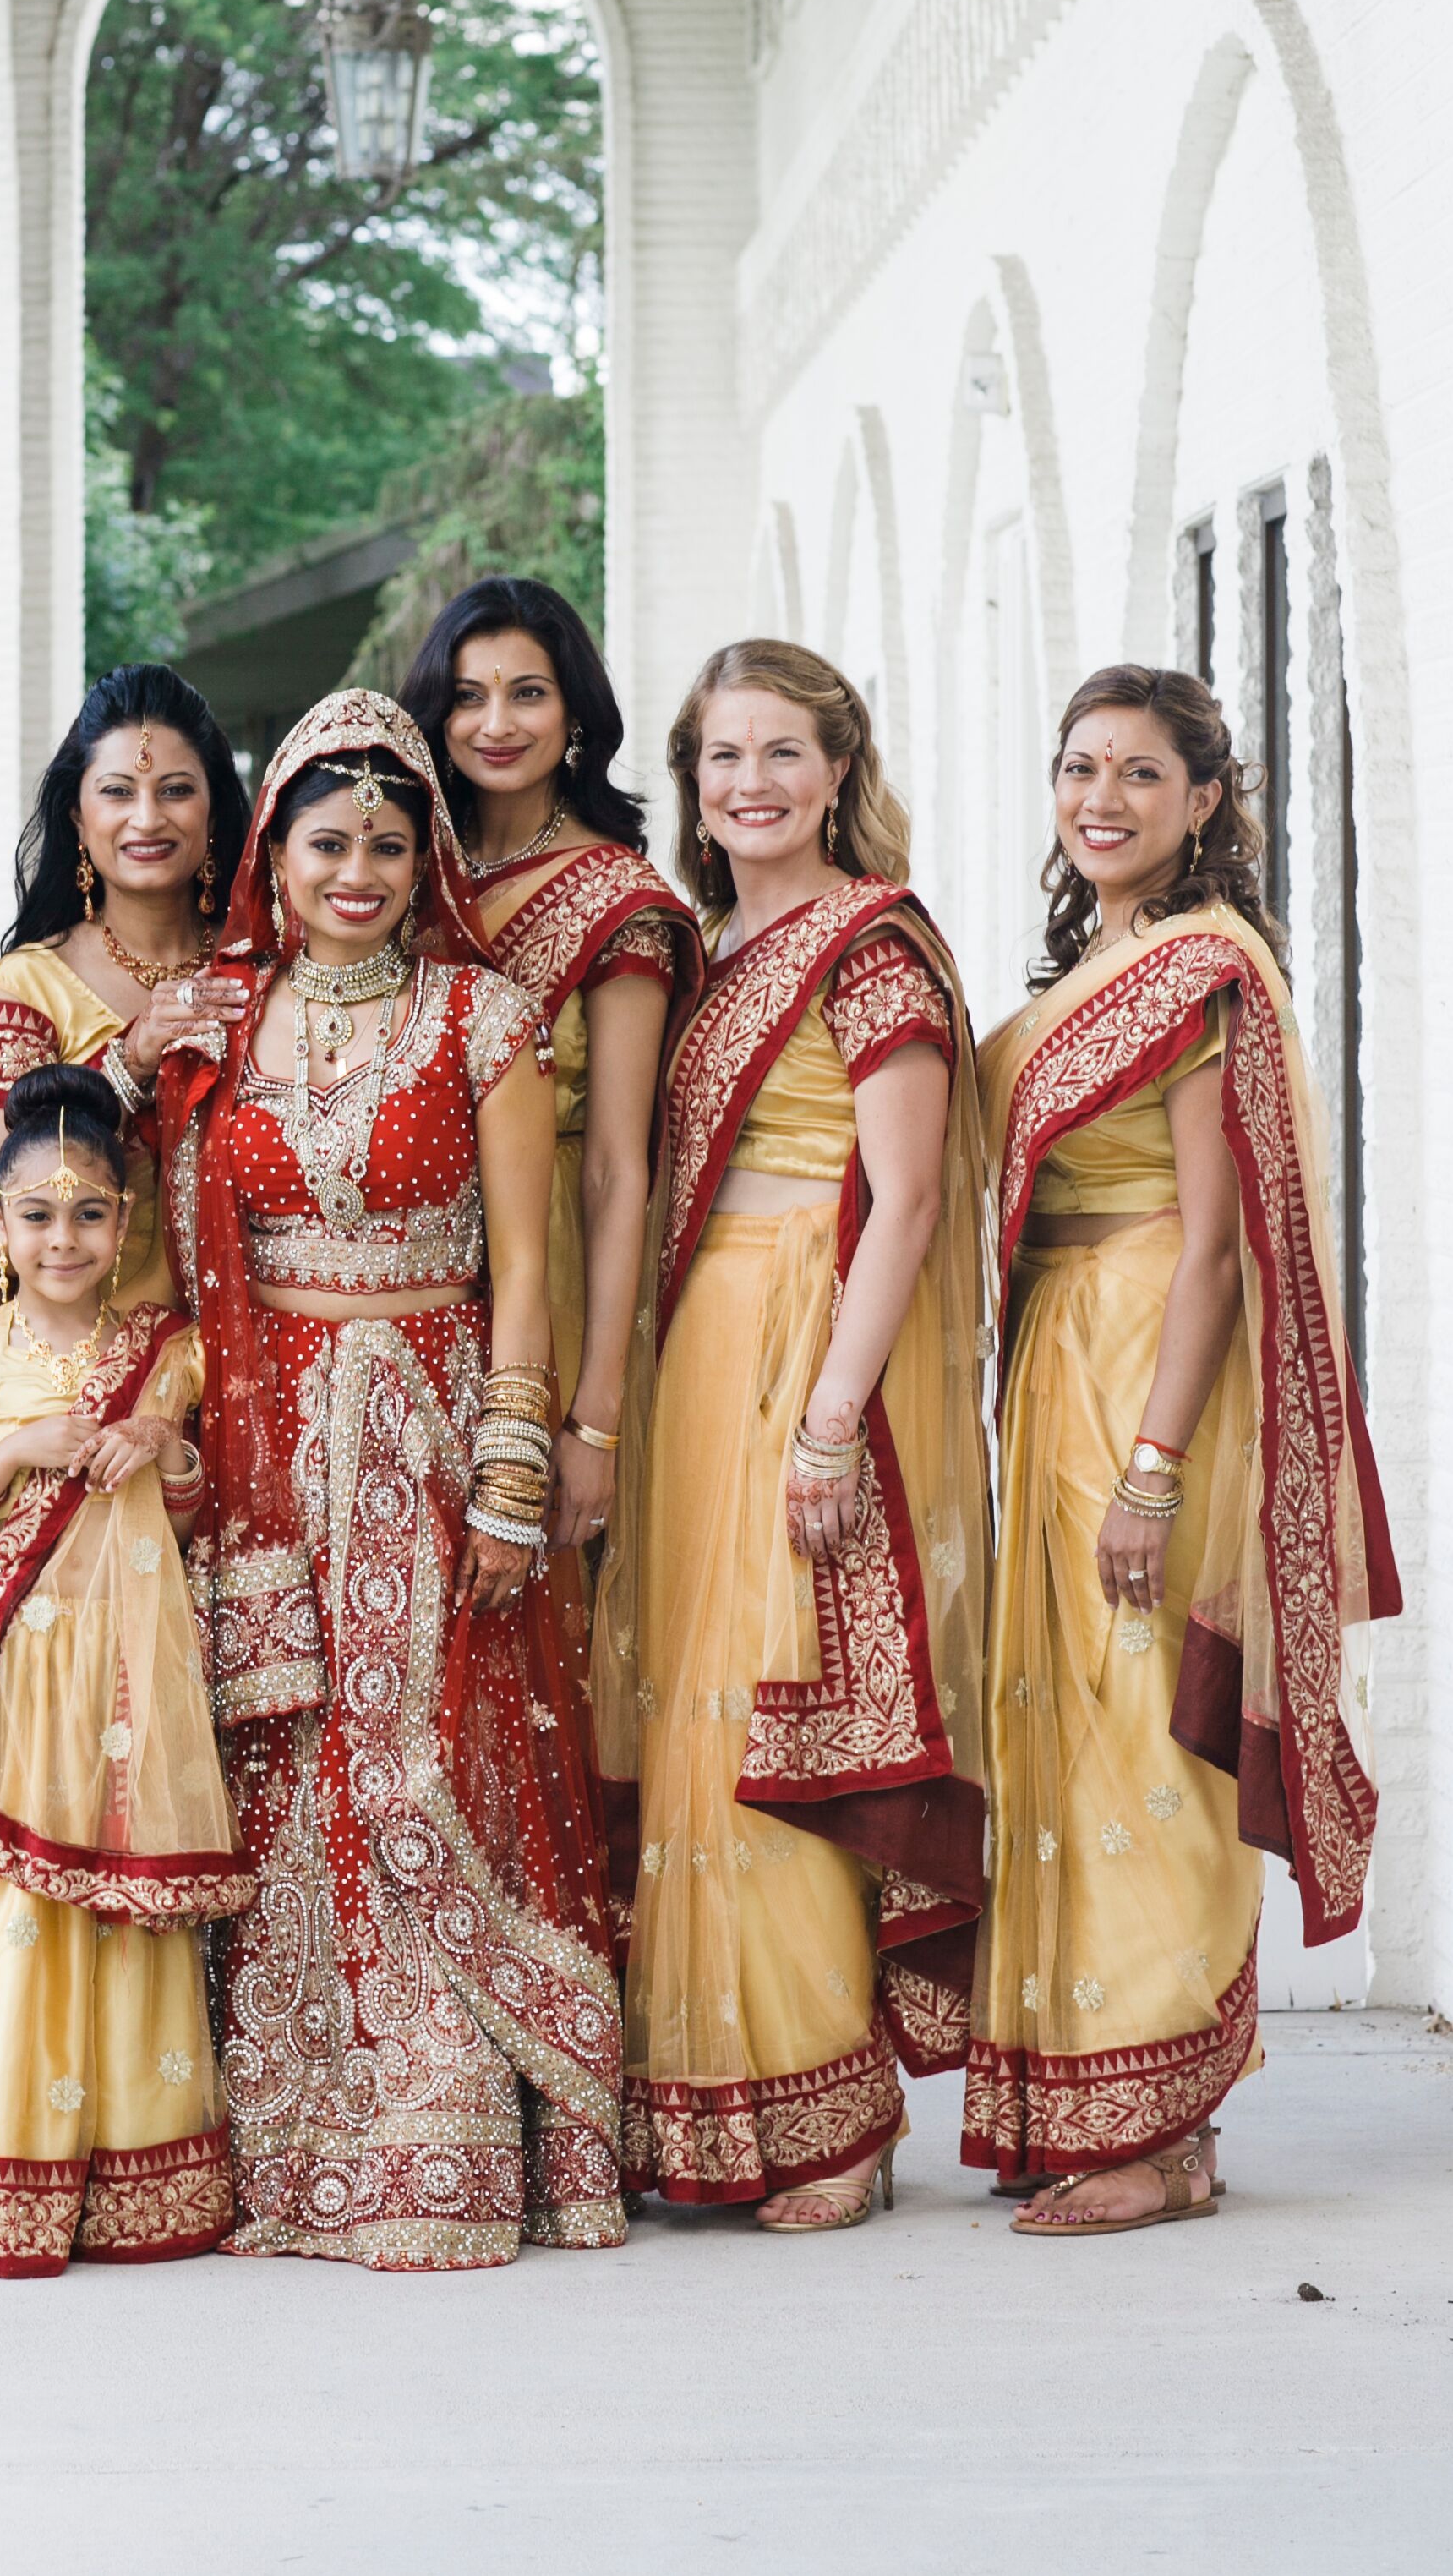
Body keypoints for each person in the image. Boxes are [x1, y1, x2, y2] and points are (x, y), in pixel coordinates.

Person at [161, 688, 625, 2269]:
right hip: (261, 1443)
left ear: (423, 855)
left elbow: (526, 1269)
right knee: (281, 1765)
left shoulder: (482, 1020)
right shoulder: (217, 1019)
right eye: (323, 843)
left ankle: (447, 2126)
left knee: (428, 1755)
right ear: (271, 859)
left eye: (384, 842)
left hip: (424, 1430)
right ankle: (290, 2129)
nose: (354, 872)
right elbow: (127, 1217)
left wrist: (513, 1471)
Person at [966, 666, 1398, 2235]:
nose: (1100, 799)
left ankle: (1151, 2122)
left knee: (1138, 1725)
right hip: (1054, 1361)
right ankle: (1106, 2095)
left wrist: (1153, 1465)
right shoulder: (1100, 960)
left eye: (1139, 775)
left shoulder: (1206, 970)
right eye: (1077, 768)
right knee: (1058, 1719)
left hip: (1146, 1364)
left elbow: (1217, 1252)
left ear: (1203, 800)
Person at [594, 640, 989, 2229]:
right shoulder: (706, 947)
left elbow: (903, 1201)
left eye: (779, 753)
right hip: (699, 1354)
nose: (746, 783)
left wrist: (831, 1418)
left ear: (837, 770)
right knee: (692, 1719)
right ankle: (709, 2112)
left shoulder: (865, 948)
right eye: (718, 758)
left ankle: (827, 2116)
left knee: (782, 1717)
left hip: (805, 1346)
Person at [0, 1063, 248, 2275]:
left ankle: (123, 2173)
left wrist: (164, 1452)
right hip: (2, 1674)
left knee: (114, 1909)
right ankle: (3, 2167)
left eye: (89, 1212)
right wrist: (10, 1454)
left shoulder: (166, 1352)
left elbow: (193, 1518)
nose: (62, 1236)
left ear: (124, 1223)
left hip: (126, 1681)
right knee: (15, 1919)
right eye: (36, 1213)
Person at [400, 578, 701, 1575]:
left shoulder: (617, 900)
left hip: (565, 1273)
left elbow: (621, 1169)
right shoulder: (394, 873)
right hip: (412, 1273)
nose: (495, 723)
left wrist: (596, 1420)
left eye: (527, 693)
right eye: (468, 695)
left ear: (575, 712)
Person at [0, 664, 252, 1307]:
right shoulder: (29, 987)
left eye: (176, 790)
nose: (147, 819)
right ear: (77, 815)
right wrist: (131, 1063)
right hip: (95, 1371)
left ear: (213, 808)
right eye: (119, 792)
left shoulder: (260, 965)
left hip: (264, 1346)